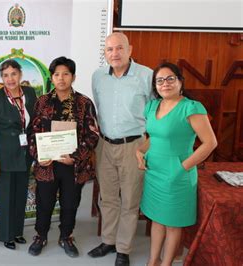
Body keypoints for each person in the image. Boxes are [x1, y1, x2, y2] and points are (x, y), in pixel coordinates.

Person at [136, 62, 217, 266]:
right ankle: (153, 261)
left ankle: (167, 264)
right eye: (160, 80)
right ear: (155, 85)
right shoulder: (152, 106)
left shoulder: (191, 107)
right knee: (156, 219)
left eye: (170, 78)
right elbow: (155, 137)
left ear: (180, 81)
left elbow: (210, 143)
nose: (165, 84)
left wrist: (182, 168)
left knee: (172, 224)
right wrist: (140, 151)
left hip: (178, 174)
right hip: (154, 172)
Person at [88, 32, 153, 266]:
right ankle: (108, 240)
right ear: (104, 53)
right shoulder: (98, 77)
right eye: (109, 49)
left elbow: (155, 112)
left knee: (129, 200)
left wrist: (147, 145)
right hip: (104, 145)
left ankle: (123, 249)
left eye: (119, 48)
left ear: (130, 49)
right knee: (107, 198)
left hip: (133, 146)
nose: (114, 53)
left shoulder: (146, 76)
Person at [27, 57, 100, 257]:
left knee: (70, 203)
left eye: (66, 74)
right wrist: (38, 156)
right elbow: (32, 132)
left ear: (73, 77)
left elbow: (93, 134)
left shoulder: (84, 103)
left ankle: (66, 236)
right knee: (44, 203)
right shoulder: (42, 102)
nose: (61, 78)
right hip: (47, 164)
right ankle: (40, 236)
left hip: (73, 166)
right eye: (57, 74)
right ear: (52, 78)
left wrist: (75, 157)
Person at [0, 59, 37, 250]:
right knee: (6, 196)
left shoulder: (30, 93)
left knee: (21, 194)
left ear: (20, 75)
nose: (10, 79)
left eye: (13, 74)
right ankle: (6, 235)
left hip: (24, 154)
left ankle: (17, 232)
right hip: (4, 154)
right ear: (2, 78)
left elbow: (34, 124)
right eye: (5, 75)